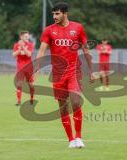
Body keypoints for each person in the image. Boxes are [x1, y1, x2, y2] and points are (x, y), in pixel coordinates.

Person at [36, 2, 94, 148]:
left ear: (65, 13)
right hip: (57, 75)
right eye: (53, 14)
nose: (54, 17)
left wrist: (92, 71)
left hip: (74, 72)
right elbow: (42, 50)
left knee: (75, 102)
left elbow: (86, 50)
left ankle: (79, 137)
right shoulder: (49, 30)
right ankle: (71, 140)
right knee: (63, 107)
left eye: (57, 14)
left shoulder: (78, 28)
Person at [13, 31, 35, 106]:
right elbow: (14, 55)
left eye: (27, 36)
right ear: (21, 37)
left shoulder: (30, 45)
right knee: (19, 84)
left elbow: (29, 54)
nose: (27, 38)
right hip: (20, 67)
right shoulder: (16, 45)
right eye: (25, 36)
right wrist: (19, 49)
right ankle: (19, 101)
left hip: (29, 67)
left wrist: (23, 47)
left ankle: (32, 99)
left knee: (31, 84)